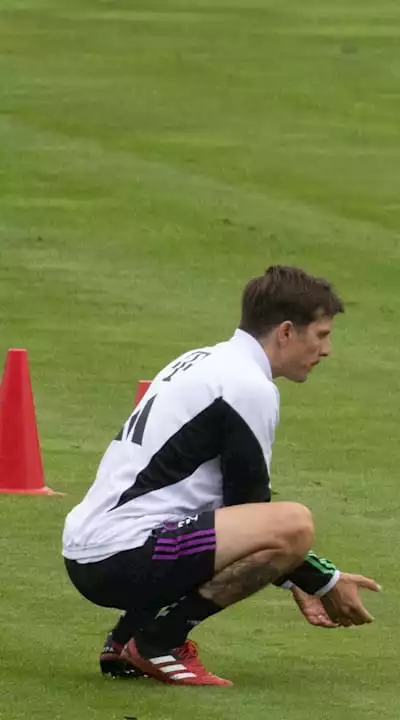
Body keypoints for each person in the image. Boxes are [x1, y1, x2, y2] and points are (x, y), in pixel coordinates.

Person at [62, 265, 381, 687]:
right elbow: (252, 511)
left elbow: (230, 516)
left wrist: (301, 572)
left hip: (89, 549)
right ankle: (160, 642)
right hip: (123, 556)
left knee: (245, 526)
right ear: (286, 331)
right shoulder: (247, 385)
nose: (326, 350)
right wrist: (321, 579)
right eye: (321, 335)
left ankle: (125, 640)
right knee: (294, 524)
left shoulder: (203, 360)